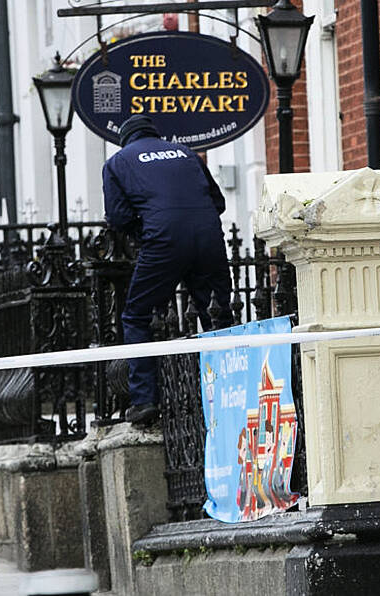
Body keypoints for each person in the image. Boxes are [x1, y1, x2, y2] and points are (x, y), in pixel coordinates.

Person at [103, 114, 233, 426]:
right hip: (208, 236)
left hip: (163, 239)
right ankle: (231, 389)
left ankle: (145, 400)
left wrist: (145, 231)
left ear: (126, 139)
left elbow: (118, 218)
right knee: (217, 313)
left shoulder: (118, 162)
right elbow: (219, 202)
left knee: (137, 315)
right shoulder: (187, 154)